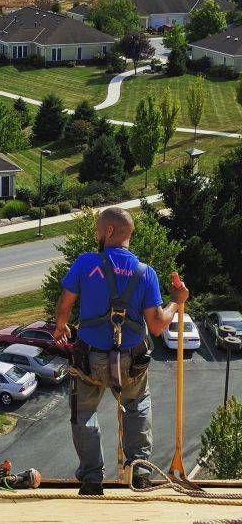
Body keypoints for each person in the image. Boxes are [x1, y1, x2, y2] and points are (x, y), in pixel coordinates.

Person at [53, 207, 188, 495]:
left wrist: (61, 326)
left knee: (84, 412)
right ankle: (140, 473)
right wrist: (176, 301)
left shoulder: (85, 263)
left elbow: (65, 303)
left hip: (90, 358)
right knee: (137, 405)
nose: (95, 234)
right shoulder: (145, 273)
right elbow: (156, 325)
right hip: (131, 360)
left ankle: (91, 479)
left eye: (97, 230)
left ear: (109, 231)